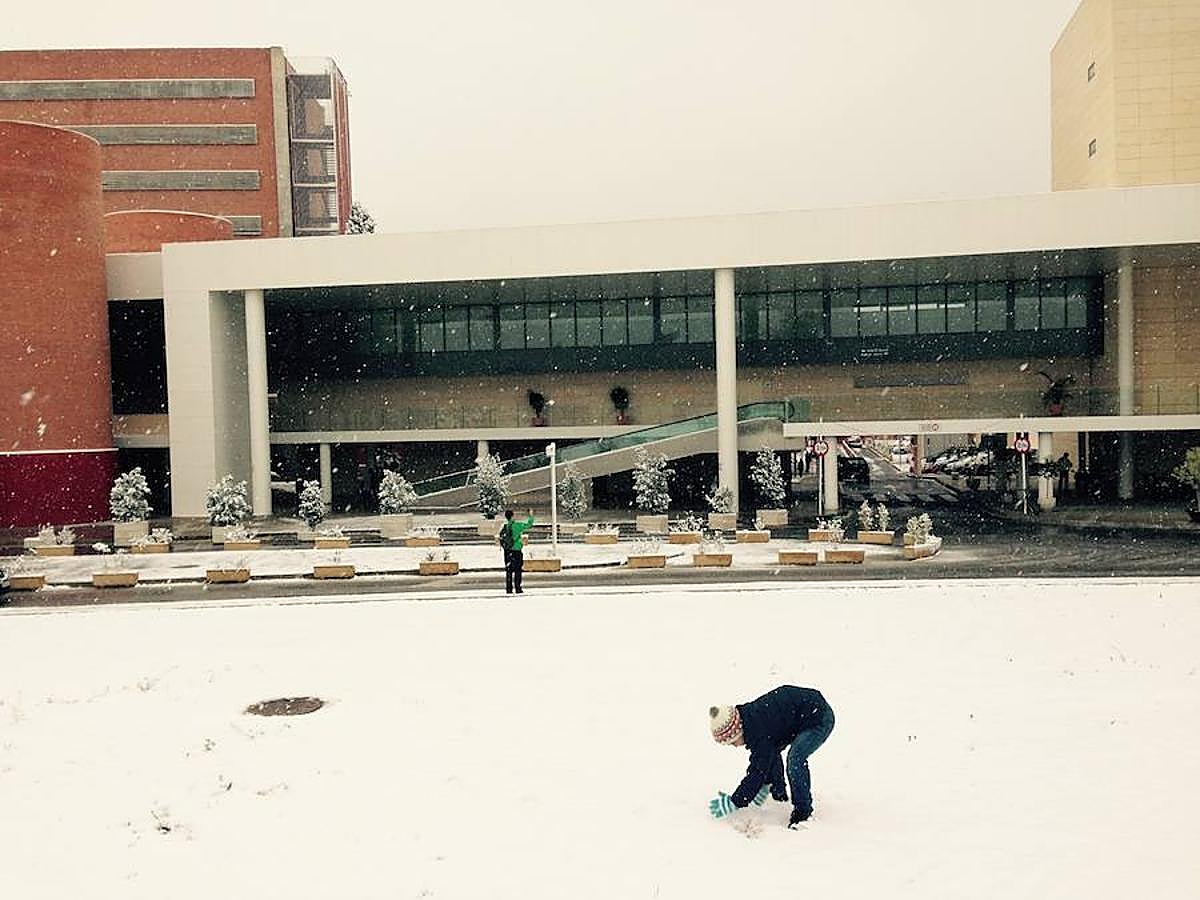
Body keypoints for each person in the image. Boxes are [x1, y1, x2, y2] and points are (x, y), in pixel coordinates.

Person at [708, 684, 835, 828]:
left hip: (819, 717)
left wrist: (735, 801)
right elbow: (769, 755)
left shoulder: (758, 730)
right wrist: (769, 786)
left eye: (732, 742)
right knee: (773, 751)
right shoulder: (751, 720)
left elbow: (758, 770)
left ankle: (803, 813)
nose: (735, 746)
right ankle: (779, 794)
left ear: (736, 731)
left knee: (795, 759)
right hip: (803, 713)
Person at [499, 509, 535, 594]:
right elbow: (529, 525)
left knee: (509, 571)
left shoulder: (505, 526)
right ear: (512, 516)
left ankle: (509, 588)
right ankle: (518, 588)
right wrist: (531, 515)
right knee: (517, 570)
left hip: (507, 551)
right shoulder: (517, 525)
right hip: (516, 550)